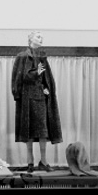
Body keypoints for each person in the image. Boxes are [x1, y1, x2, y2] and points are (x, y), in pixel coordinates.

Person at [11, 31, 62, 172]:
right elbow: (19, 78)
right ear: (30, 39)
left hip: (40, 98)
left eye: (41, 37)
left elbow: (46, 78)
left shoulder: (42, 57)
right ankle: (30, 162)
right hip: (27, 99)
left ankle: (43, 161)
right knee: (28, 130)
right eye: (38, 36)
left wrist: (46, 88)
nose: (41, 38)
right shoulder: (22, 56)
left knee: (42, 131)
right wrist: (36, 73)